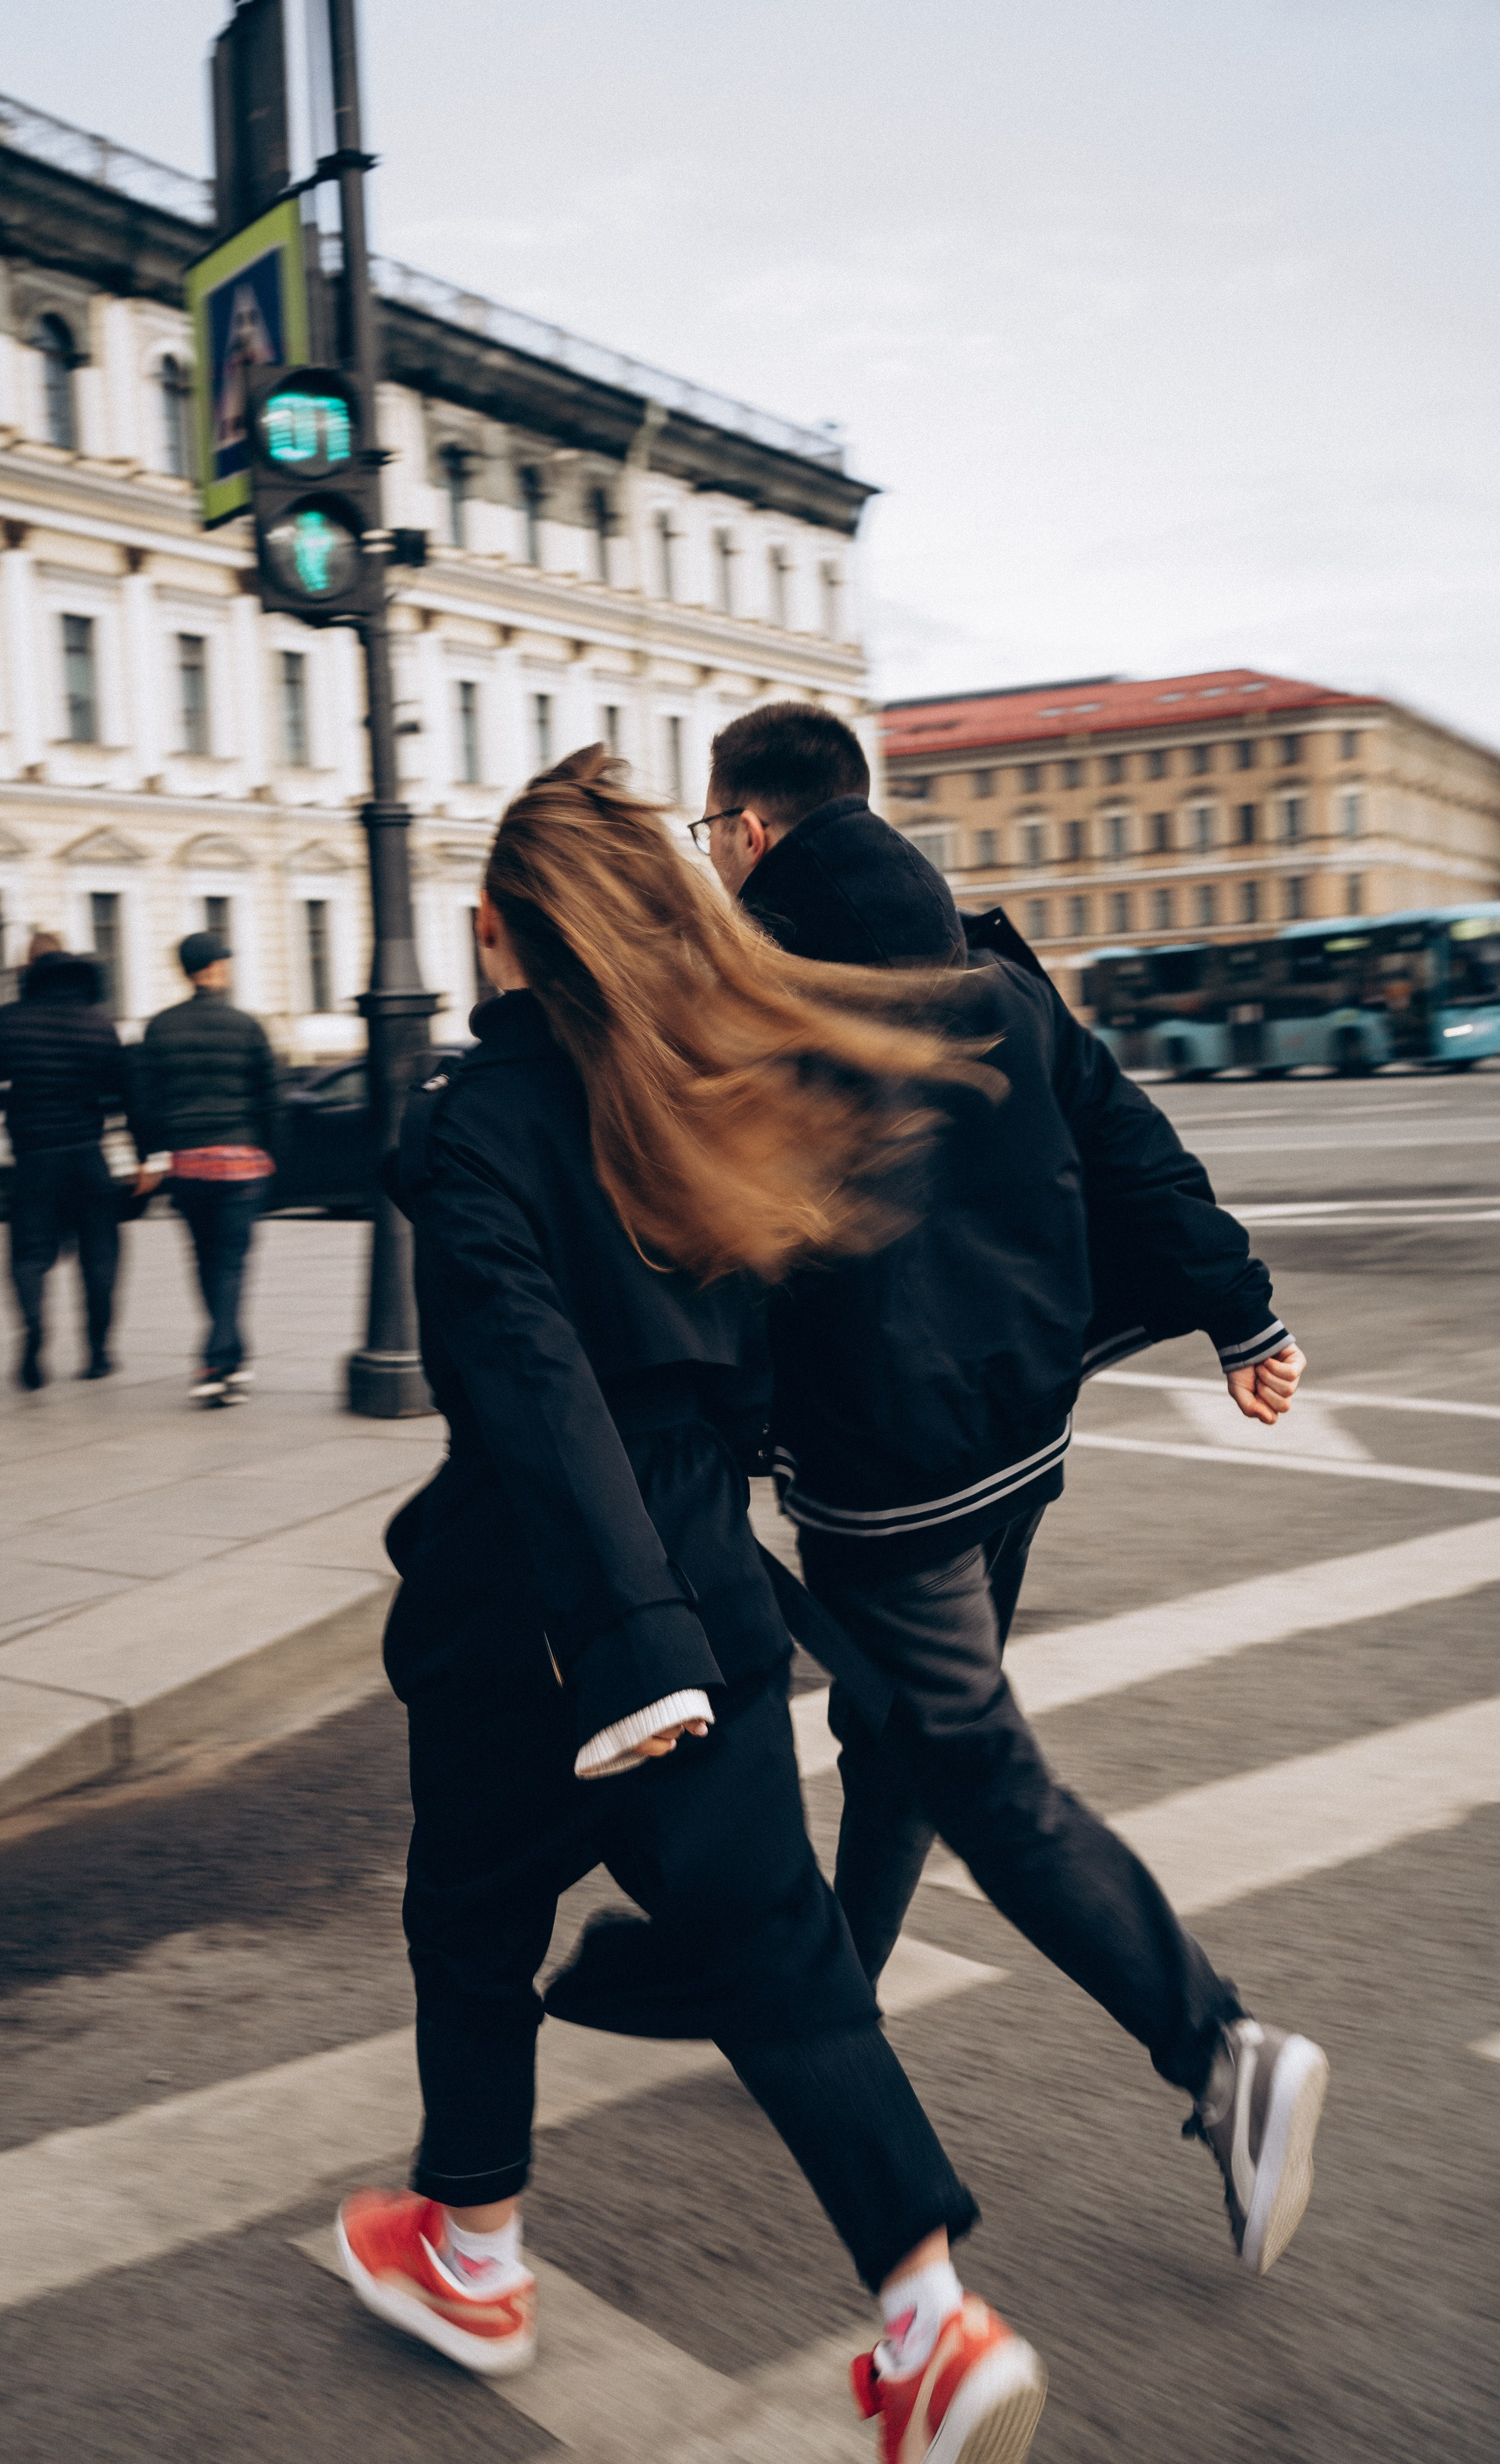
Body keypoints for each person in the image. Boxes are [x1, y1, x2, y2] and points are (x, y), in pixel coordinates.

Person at [336, 749, 1051, 2464]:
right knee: (785, 1955)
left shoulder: (481, 1122)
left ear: (500, 930)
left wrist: (625, 1638)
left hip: (553, 1602)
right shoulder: (697, 1098)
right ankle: (934, 2329)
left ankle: (478, 2253)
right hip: (708, 1582)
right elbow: (770, 1358)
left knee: (472, 1921)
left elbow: (526, 1377)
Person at [700, 701, 1328, 2281]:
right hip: (1015, 1436)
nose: (709, 861)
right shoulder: (995, 977)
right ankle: (830, 1986)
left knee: (972, 1761)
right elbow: (1133, 1150)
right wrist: (1241, 1311)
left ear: (754, 829)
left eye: (711, 832)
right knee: (913, 1727)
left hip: (888, 1468)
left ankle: (1217, 2051)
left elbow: (711, 1249)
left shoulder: (763, 1008)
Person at [0, 932, 146, 1388]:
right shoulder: (99, 1023)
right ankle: (98, 1353)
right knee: (100, 1257)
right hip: (87, 1156)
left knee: (28, 1255)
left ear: (29, 972)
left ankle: (34, 1331)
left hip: (33, 1159)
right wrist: (145, 1157)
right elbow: (129, 1094)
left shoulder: (8, 1020)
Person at [137, 931, 278, 1407]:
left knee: (205, 1262)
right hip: (242, 1164)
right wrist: (274, 1153)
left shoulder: (160, 1028)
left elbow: (147, 1101)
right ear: (217, 967)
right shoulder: (247, 1026)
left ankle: (232, 1358)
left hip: (189, 1165)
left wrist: (152, 1155)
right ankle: (218, 1361)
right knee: (232, 1264)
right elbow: (271, 1097)